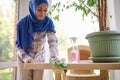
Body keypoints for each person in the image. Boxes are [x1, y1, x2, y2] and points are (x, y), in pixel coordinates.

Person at [16, 0, 59, 80]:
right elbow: (18, 46)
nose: (42, 13)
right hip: (24, 58)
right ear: (33, 7)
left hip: (39, 58)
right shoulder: (21, 24)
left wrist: (54, 56)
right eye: (39, 9)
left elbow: (52, 41)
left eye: (45, 10)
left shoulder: (48, 22)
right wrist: (26, 58)